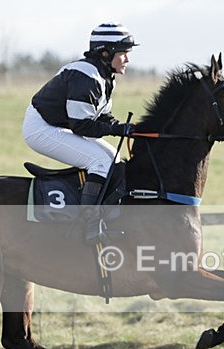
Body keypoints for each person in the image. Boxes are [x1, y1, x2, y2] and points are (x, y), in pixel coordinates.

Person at [23, 22, 138, 243]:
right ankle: (90, 224)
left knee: (111, 158)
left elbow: (101, 118)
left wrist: (127, 128)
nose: (127, 60)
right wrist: (117, 129)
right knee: (100, 162)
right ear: (105, 53)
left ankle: (104, 214)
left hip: (59, 125)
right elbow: (82, 127)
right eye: (123, 53)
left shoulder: (103, 75)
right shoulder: (86, 76)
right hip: (42, 129)